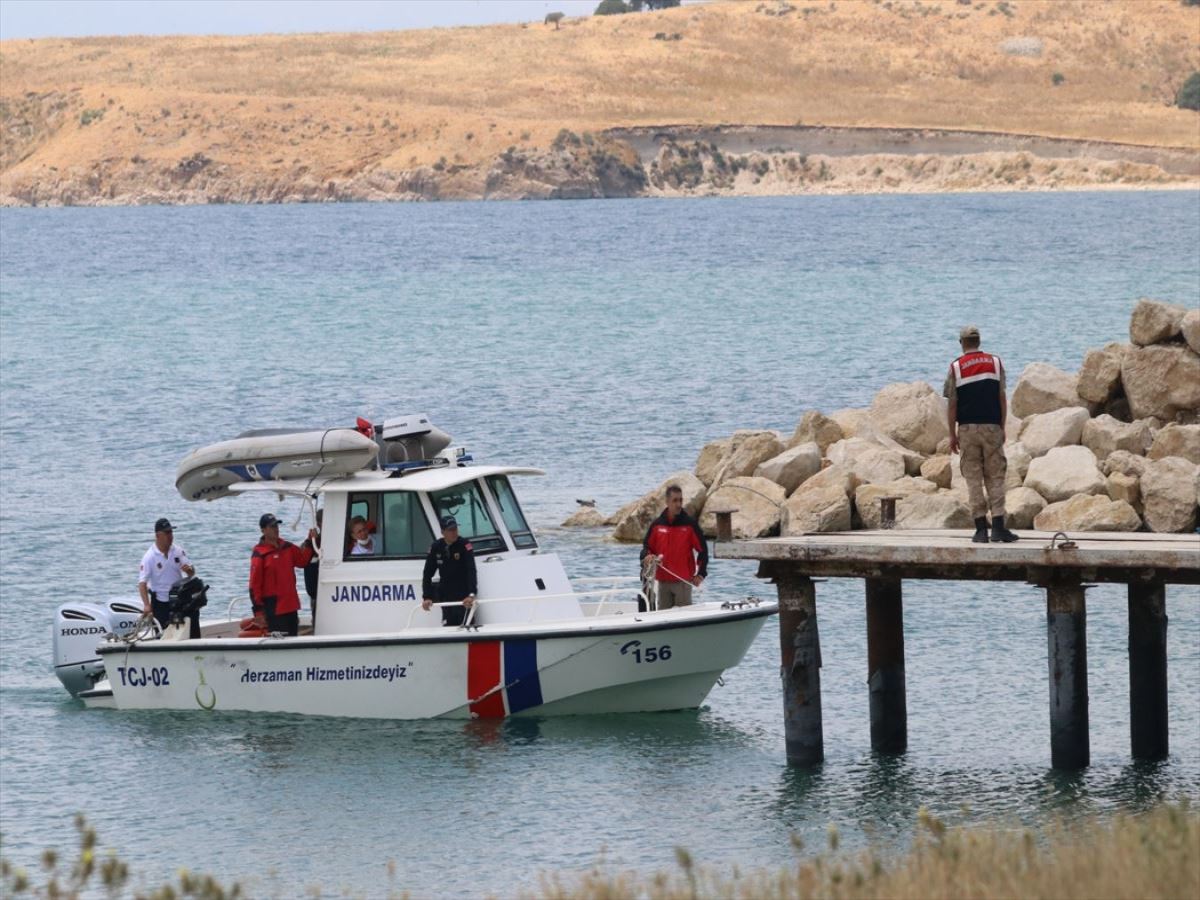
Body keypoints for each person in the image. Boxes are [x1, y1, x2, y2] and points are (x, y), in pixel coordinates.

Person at [945, 324, 1019, 544]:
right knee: (996, 476)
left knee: (973, 479)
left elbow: (952, 405)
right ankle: (998, 527)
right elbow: (1001, 398)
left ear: (962, 343)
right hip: (992, 427)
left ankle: (980, 530)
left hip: (967, 429)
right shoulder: (995, 363)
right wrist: (1002, 426)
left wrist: (952, 434)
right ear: (979, 341)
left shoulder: (956, 367)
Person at [639, 484, 708, 609]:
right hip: (663, 584)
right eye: (675, 500)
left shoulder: (690, 525)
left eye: (680, 500)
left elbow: (703, 550)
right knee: (662, 620)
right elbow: (646, 547)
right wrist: (648, 556)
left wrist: (701, 574)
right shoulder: (657, 525)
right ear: (667, 502)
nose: (678, 504)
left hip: (683, 583)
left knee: (683, 621)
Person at [249, 513, 317, 636]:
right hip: (274, 609)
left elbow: (303, 561)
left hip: (291, 606)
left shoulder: (287, 547)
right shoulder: (260, 553)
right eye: (272, 526)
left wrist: (310, 541)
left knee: (292, 642)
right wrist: (258, 611)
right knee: (279, 645)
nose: (276, 529)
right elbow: (254, 585)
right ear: (263, 530)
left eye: (276, 525)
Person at [138, 517, 198, 636]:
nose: (170, 536)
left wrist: (189, 571)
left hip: (179, 599)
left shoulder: (177, 551)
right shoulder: (149, 557)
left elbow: (192, 572)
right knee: (163, 634)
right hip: (161, 602)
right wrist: (146, 605)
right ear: (158, 535)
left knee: (190, 623)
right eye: (167, 533)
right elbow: (142, 584)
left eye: (171, 532)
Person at [422, 516, 476, 626]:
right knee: (448, 627)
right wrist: (427, 597)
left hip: (463, 597)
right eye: (450, 530)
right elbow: (427, 573)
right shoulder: (436, 547)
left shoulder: (464, 545)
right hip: (446, 597)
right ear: (443, 532)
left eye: (455, 529)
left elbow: (471, 570)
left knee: (466, 626)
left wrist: (471, 594)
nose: (454, 532)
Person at [303, 509, 322, 628]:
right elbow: (303, 557)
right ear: (319, 523)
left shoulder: (340, 538)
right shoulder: (313, 542)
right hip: (316, 588)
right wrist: (311, 540)